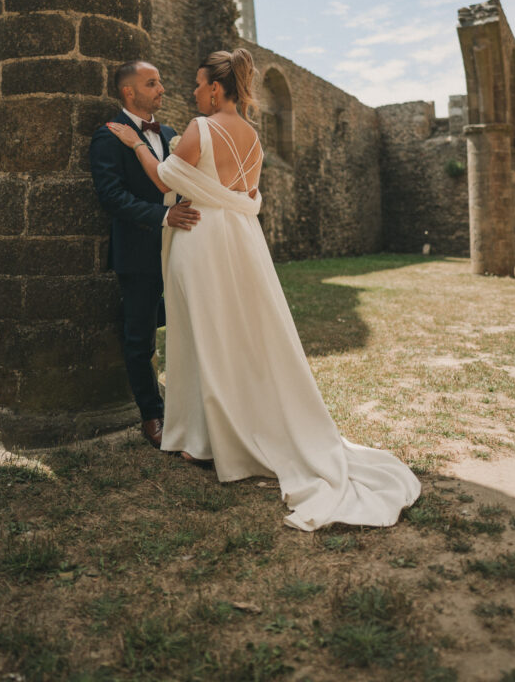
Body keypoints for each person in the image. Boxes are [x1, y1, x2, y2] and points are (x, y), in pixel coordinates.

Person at [106, 48, 420, 531]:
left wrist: (136, 145)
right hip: (243, 243)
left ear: (215, 88)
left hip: (203, 240)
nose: (190, 92)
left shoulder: (200, 127)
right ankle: (231, 426)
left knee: (204, 334)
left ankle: (207, 439)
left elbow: (166, 178)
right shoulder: (253, 137)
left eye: (196, 84)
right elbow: (245, 194)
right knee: (244, 333)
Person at [90, 60, 200, 449]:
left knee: (189, 319)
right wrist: (163, 215)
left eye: (160, 81)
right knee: (139, 337)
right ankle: (152, 415)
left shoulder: (170, 133)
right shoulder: (107, 136)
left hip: (181, 248)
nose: (162, 89)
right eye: (152, 83)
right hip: (138, 251)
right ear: (128, 92)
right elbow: (112, 197)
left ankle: (191, 403)